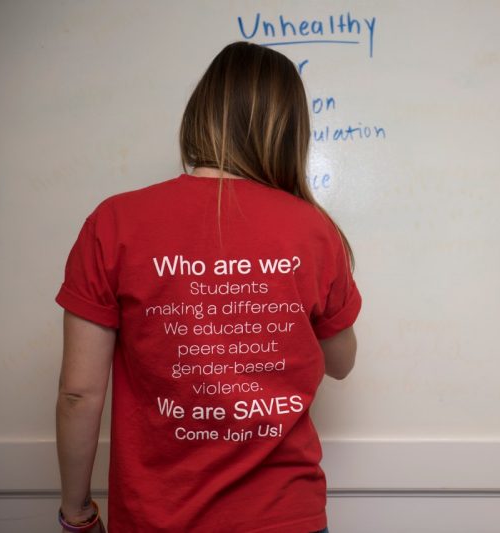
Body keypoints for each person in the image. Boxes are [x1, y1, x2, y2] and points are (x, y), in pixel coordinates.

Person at [54, 41, 361, 533]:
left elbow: (78, 394)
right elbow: (341, 364)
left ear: (203, 113)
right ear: (287, 132)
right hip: (285, 516)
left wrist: (77, 513)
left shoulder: (115, 222)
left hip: (158, 518)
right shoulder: (313, 230)